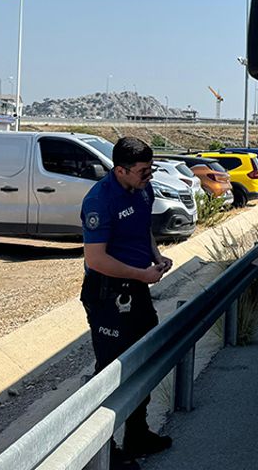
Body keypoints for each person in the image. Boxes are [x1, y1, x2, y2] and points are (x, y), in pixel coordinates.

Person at [80, 136, 174, 463]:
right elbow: (96, 259)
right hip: (107, 293)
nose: (149, 177)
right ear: (120, 170)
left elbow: (142, 230)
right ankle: (106, 452)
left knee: (145, 359)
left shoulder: (142, 189)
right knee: (110, 372)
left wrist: (156, 256)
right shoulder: (99, 200)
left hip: (136, 289)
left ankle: (137, 434)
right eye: (143, 171)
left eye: (151, 170)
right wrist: (140, 274)